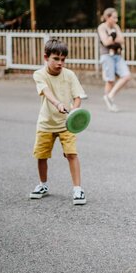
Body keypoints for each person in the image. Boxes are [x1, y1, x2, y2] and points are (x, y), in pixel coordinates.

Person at [30, 39, 87, 205]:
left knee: (72, 154)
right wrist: (58, 104)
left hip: (66, 124)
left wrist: (74, 112)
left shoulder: (69, 75)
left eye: (63, 59)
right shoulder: (39, 74)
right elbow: (45, 91)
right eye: (56, 59)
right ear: (46, 57)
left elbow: (77, 97)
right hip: (46, 123)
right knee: (41, 156)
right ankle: (43, 185)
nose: (60, 63)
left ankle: (78, 189)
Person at [98, 7, 131, 112]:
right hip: (107, 55)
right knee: (110, 80)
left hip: (117, 55)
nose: (116, 20)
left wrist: (112, 37)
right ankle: (109, 102)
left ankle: (110, 96)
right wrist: (113, 38)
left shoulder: (116, 26)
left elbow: (122, 40)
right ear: (108, 17)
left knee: (126, 76)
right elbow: (106, 42)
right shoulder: (102, 27)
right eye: (114, 17)